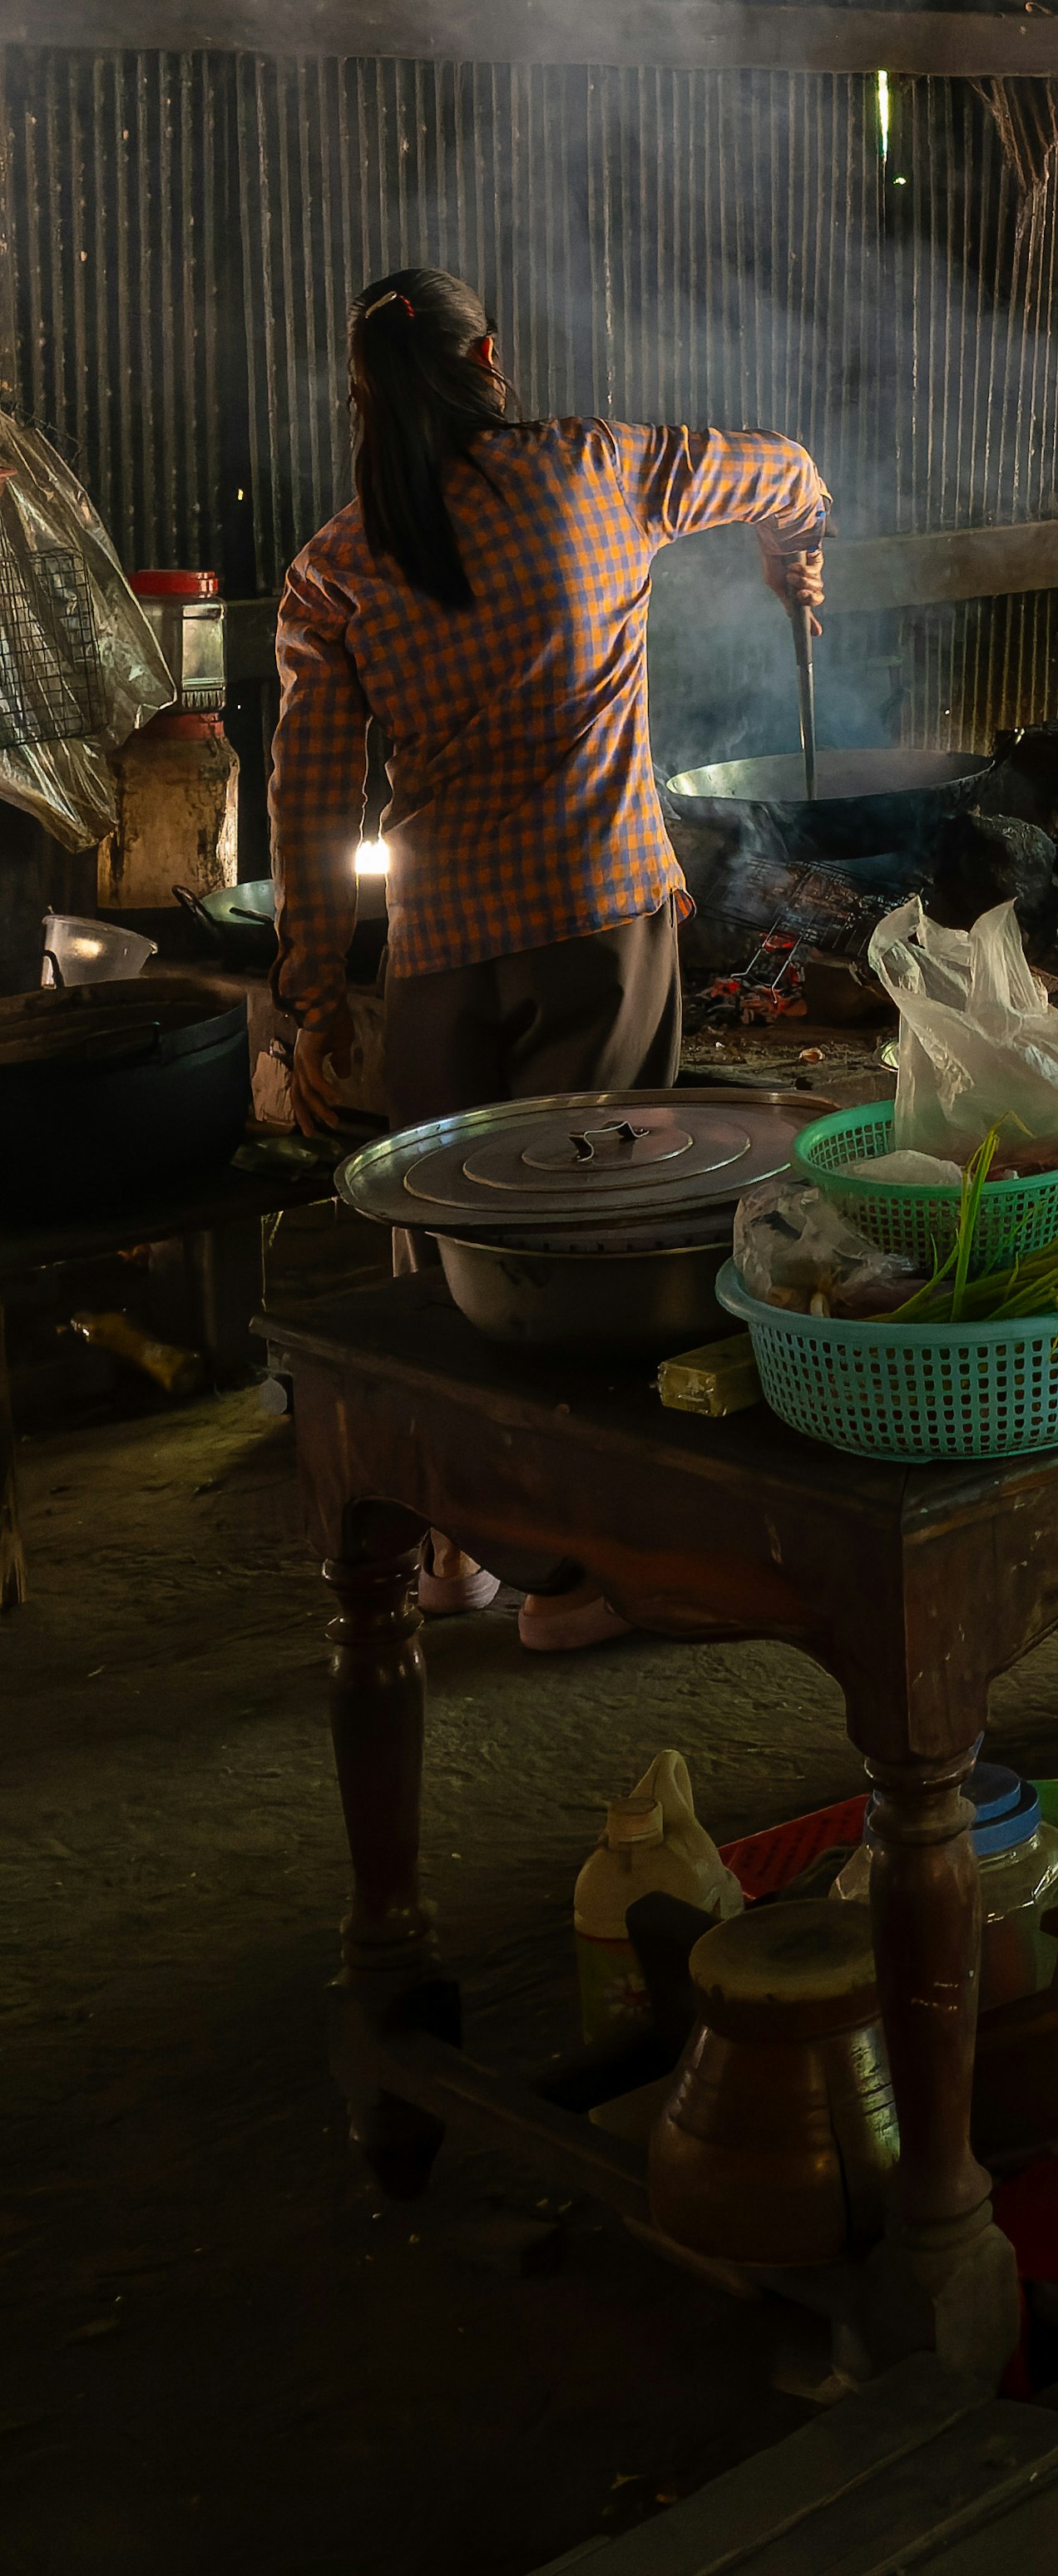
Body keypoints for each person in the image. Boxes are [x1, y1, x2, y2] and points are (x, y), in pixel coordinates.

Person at [274, 267, 828, 1649]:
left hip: (440, 950)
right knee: (592, 1256)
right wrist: (795, 552)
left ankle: (455, 1544)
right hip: (597, 917)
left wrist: (305, 994)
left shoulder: (337, 561)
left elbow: (301, 796)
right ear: (493, 359)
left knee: (452, 1253)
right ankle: (577, 1581)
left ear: (362, 398)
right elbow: (791, 473)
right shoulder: (601, 466)